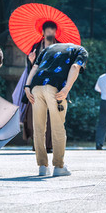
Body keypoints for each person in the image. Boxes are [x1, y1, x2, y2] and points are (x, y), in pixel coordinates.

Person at [24, 43, 88, 176]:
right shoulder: (81, 50)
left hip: (36, 86)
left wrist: (26, 86)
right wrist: (66, 89)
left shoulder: (48, 49)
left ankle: (42, 166)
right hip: (55, 87)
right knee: (58, 127)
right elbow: (75, 67)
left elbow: (35, 67)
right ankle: (59, 166)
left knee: (39, 128)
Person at [16, 21, 59, 153]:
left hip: (53, 84)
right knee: (34, 116)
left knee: (52, 116)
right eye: (48, 30)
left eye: (53, 30)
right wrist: (31, 61)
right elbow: (31, 69)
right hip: (37, 84)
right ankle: (38, 145)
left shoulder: (60, 47)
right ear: (43, 32)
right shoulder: (35, 47)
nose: (51, 32)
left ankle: (49, 145)